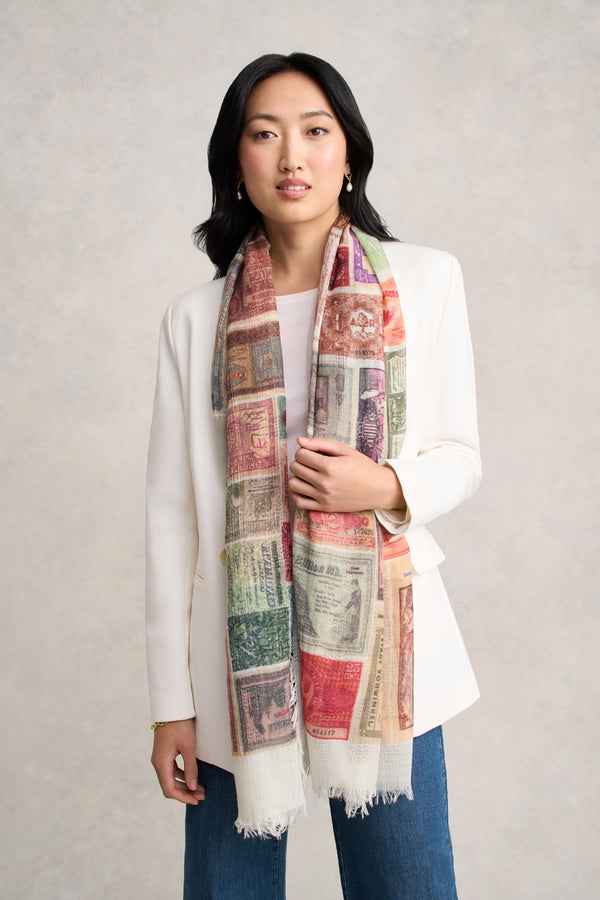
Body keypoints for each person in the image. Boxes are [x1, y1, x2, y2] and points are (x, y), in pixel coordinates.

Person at [146, 52, 481, 900]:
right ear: (236, 163)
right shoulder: (195, 319)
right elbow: (171, 521)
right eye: (265, 135)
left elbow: (459, 455)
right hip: (240, 658)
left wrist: (385, 487)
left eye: (315, 131)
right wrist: (169, 702)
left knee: (407, 885)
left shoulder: (424, 279)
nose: (292, 156)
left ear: (349, 154)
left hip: (383, 647)